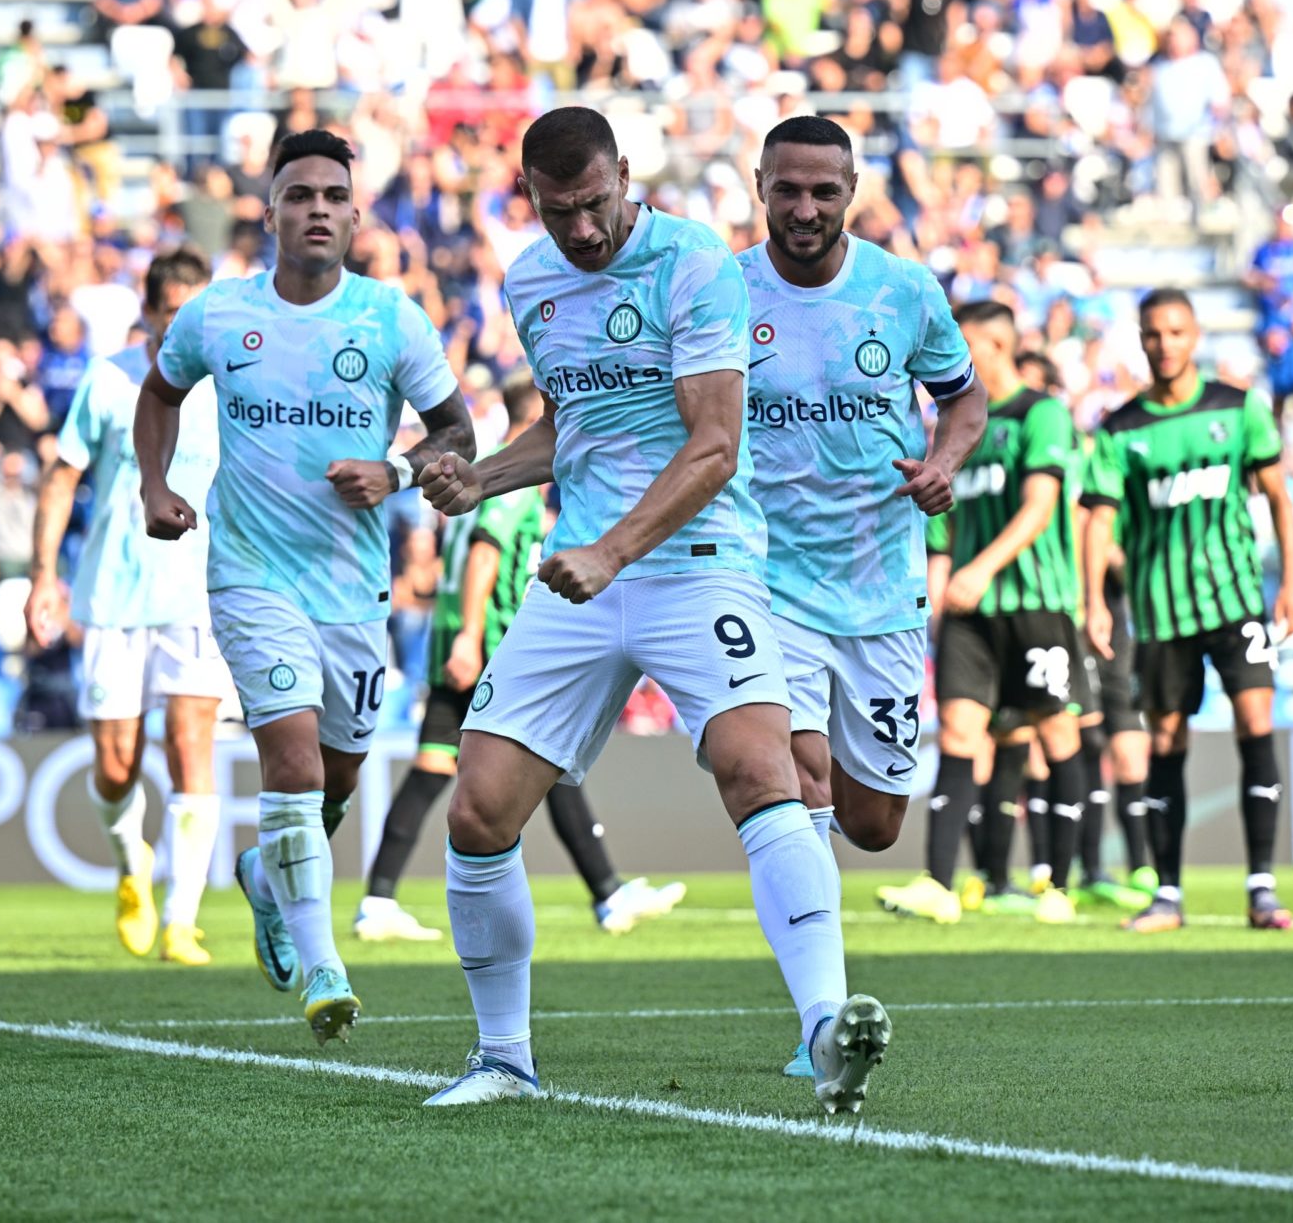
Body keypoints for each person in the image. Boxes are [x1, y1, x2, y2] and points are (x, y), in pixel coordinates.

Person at [414, 105, 886, 1116]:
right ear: (529, 199)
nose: (581, 230)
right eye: (558, 212)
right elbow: (570, 424)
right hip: (582, 573)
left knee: (759, 768)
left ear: (625, 175)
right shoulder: (528, 280)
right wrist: (481, 478)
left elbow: (714, 444)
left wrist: (613, 550)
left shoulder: (694, 263)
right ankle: (503, 1058)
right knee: (478, 806)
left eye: (594, 204)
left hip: (697, 563)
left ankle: (825, 1029)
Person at [136, 128, 474, 1042]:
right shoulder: (217, 314)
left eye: (333, 196)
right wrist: (154, 484)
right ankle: (325, 966)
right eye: (299, 194)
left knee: (336, 777)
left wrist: (396, 473)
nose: (317, 209)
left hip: (352, 587)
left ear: (355, 216)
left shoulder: (391, 319)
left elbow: (458, 431)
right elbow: (160, 392)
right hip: (251, 575)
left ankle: (265, 874)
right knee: (290, 762)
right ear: (271, 212)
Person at [739, 115, 986, 1068]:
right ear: (760, 186)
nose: (804, 208)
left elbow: (965, 397)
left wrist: (944, 461)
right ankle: (823, 1020)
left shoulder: (903, 290)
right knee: (795, 780)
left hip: (881, 589)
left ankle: (812, 924)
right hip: (767, 583)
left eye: (823, 191)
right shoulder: (724, 290)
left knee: (876, 823)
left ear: (852, 190)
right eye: (787, 189)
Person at [356, 400, 686, 944]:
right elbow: (486, 556)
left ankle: (378, 900)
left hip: (455, 637)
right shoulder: (514, 488)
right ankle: (608, 893)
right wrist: (471, 637)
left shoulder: (487, 474)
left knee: (437, 769)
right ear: (535, 409)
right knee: (542, 760)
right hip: (491, 643)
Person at [29, 246, 231, 969]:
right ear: (147, 311)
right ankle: (131, 863)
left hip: (200, 594)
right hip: (113, 594)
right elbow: (61, 479)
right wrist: (43, 576)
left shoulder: (230, 383)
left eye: (192, 312)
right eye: (170, 312)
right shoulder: (109, 379)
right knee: (116, 766)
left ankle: (182, 920)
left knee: (190, 745)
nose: (181, 325)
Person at [1082, 289, 1293, 935]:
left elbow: (1278, 497)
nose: (1165, 344)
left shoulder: (1238, 407)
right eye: (1154, 334)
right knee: (1166, 740)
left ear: (1196, 335)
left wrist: (1291, 581)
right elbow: (1099, 520)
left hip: (1236, 601)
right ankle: (1168, 894)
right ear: (1141, 340)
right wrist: (1094, 600)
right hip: (1160, 613)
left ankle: (1261, 887)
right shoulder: (1120, 427)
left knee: (1256, 721)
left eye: (1176, 332)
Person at [878, 300, 1086, 927]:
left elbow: (1039, 507)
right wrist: (935, 604)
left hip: (1036, 605)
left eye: (963, 345)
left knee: (1056, 733)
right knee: (959, 734)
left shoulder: (1040, 413)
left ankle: (1060, 886)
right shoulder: (954, 429)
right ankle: (939, 884)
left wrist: (982, 569)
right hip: (970, 611)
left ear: (994, 347)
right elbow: (942, 532)